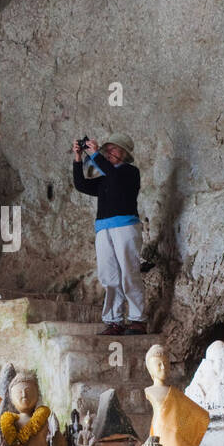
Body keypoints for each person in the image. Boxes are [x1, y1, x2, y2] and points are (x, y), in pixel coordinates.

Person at [71, 134, 145, 336]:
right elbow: (81, 185)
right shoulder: (105, 178)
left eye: (115, 150)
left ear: (125, 154)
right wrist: (78, 158)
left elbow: (115, 176)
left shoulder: (130, 172)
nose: (110, 152)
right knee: (109, 275)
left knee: (129, 272)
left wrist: (95, 154)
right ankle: (114, 321)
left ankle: (137, 320)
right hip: (103, 229)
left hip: (126, 227)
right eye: (108, 149)